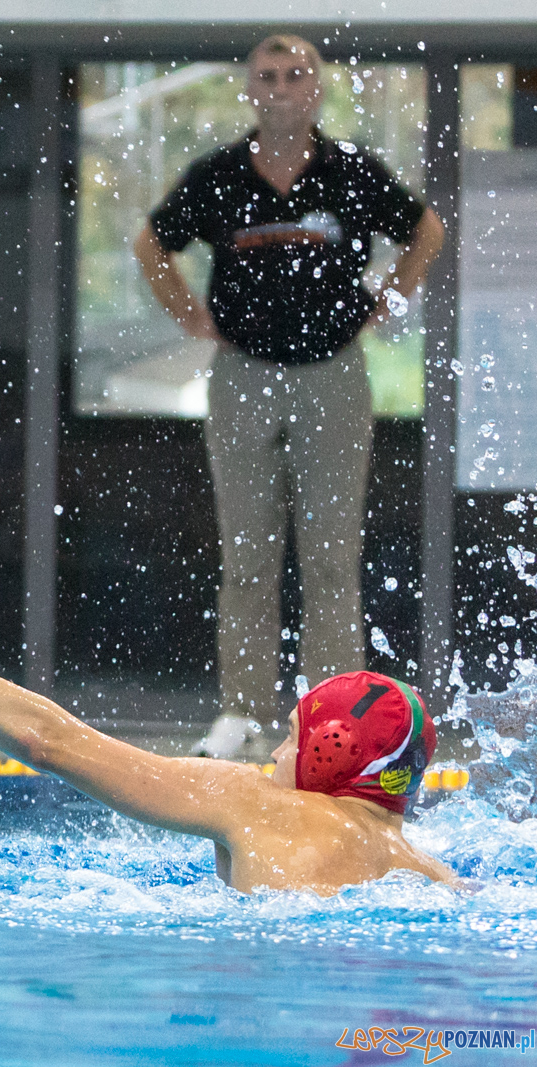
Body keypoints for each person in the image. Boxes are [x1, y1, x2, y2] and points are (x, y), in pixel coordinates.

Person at [0, 543, 455, 894]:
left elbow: (45, 740)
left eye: (290, 736)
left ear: (333, 753)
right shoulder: (431, 874)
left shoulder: (257, 803)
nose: (273, 752)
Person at [133, 35, 444, 759]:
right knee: (246, 553)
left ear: (316, 89)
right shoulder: (218, 177)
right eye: (267, 77)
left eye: (295, 75)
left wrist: (392, 301)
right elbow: (152, 244)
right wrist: (188, 314)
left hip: (332, 373)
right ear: (251, 91)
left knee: (332, 554)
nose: (280, 88)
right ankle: (241, 711)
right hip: (243, 375)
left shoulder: (352, 173)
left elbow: (425, 230)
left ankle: (334, 714)